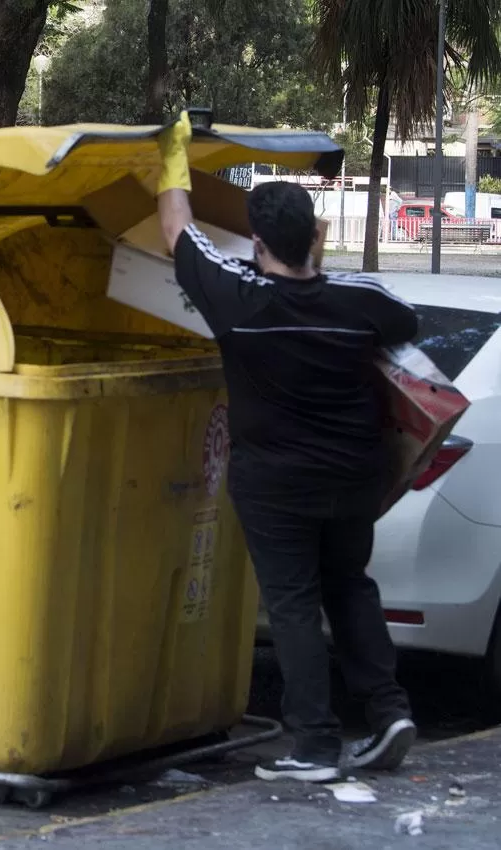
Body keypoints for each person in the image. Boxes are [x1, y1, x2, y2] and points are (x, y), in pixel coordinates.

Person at [154, 112, 420, 783]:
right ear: (314, 238)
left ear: (258, 239)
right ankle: (388, 712)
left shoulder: (243, 301)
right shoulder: (359, 302)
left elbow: (178, 232)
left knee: (295, 602)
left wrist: (173, 156)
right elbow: (406, 320)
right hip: (355, 475)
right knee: (349, 586)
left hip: (276, 483)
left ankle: (314, 746)